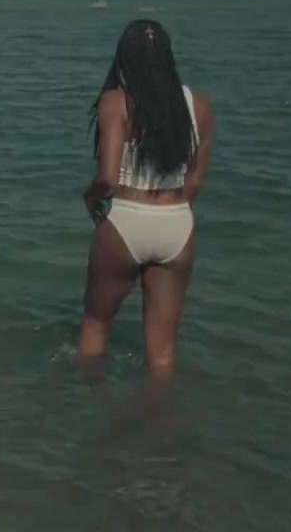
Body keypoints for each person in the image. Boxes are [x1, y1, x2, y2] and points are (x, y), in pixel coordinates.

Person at [78, 19, 215, 374]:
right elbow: (194, 182)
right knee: (164, 354)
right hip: (177, 222)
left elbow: (108, 177)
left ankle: (93, 418)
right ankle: (161, 422)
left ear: (124, 58)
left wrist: (90, 198)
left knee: (96, 326)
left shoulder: (117, 102)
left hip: (127, 220)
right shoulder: (198, 105)